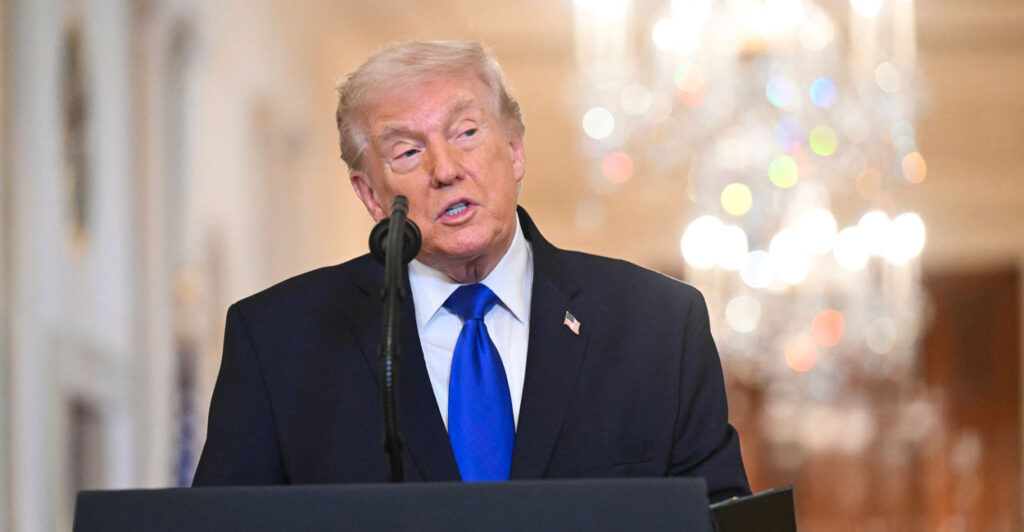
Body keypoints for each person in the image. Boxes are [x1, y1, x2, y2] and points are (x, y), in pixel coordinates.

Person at [193, 40, 750, 502]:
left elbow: (721, 518)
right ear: (369, 194)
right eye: (407, 152)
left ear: (514, 151)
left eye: (465, 132)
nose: (445, 169)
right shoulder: (278, 341)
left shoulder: (658, 326)